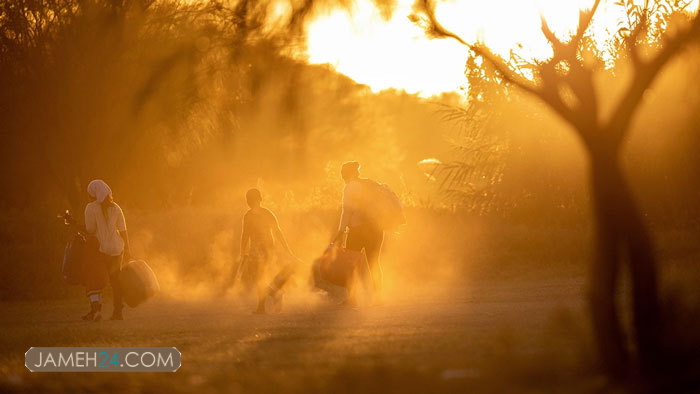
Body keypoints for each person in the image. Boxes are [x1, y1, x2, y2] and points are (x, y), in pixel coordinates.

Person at [332, 161, 384, 298]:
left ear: (346, 174)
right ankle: (379, 297)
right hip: (376, 229)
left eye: (343, 173)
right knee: (374, 263)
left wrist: (340, 231)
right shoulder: (370, 184)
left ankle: (352, 298)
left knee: (351, 265)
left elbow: (346, 211)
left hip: (358, 231)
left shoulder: (350, 187)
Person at [239, 188, 295, 314]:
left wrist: (287, 249)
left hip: (265, 250)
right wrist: (242, 251)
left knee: (259, 278)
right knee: (259, 278)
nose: (251, 202)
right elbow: (245, 234)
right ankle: (272, 296)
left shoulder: (265, 214)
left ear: (259, 200)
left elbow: (277, 232)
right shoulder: (249, 216)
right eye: (249, 200)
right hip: (256, 251)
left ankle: (267, 301)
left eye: (252, 199)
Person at [83, 179, 131, 321]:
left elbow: (90, 230)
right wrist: (128, 249)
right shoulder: (116, 207)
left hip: (101, 250)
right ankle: (118, 312)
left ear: (93, 193)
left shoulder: (91, 208)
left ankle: (95, 310)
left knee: (95, 279)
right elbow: (123, 230)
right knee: (115, 281)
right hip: (117, 250)